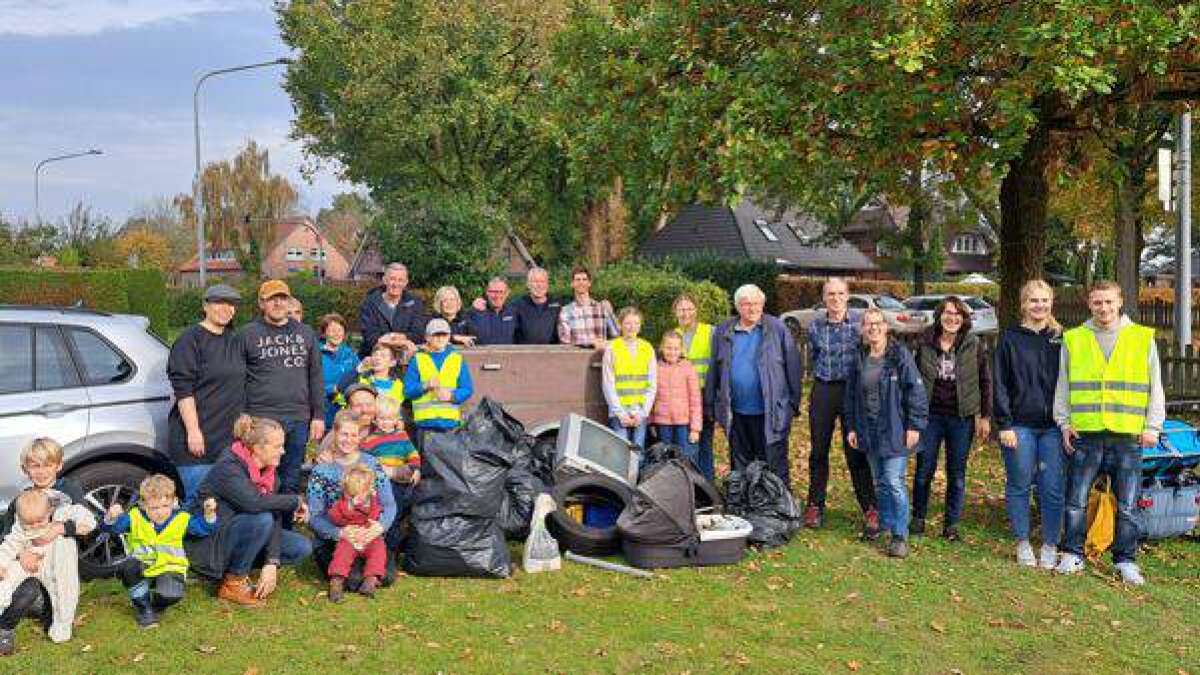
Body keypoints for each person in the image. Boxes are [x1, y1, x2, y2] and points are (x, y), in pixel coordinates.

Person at [1053, 280, 1165, 585]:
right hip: (1086, 434)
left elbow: (1156, 387)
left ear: (1120, 303)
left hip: (1128, 436)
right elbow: (1063, 386)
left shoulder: (1142, 338)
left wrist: (1153, 426)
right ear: (1090, 304)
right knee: (1075, 499)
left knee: (1128, 503)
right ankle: (1072, 554)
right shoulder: (1074, 339)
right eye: (1097, 302)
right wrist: (1063, 423)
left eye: (1109, 302)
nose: (1103, 308)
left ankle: (1125, 560)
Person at [189, 416, 312, 607]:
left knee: (300, 547)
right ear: (257, 447)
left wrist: (272, 562)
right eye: (277, 446)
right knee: (260, 518)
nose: (283, 451)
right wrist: (295, 501)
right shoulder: (228, 467)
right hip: (209, 541)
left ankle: (241, 565)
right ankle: (233, 582)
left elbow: (274, 511)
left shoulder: (269, 473)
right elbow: (254, 503)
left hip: (240, 533)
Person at [994, 279, 1066, 569]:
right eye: (1034, 300)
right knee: (1020, 483)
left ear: (1051, 303)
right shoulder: (1010, 338)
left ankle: (1050, 544)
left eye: (1044, 300)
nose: (1040, 306)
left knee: (1051, 487)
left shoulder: (1062, 338)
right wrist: (1004, 424)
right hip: (1019, 426)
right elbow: (999, 382)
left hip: (1053, 427)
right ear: (1024, 304)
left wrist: (1067, 422)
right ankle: (1023, 542)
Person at [845, 308, 928, 558]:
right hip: (868, 429)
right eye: (868, 324)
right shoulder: (859, 357)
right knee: (880, 482)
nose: (873, 328)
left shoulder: (899, 355)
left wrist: (914, 426)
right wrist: (851, 426)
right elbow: (850, 397)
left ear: (886, 327)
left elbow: (916, 391)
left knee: (894, 481)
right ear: (863, 329)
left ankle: (900, 535)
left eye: (878, 323)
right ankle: (887, 524)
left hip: (894, 428)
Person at [240, 279, 325, 520]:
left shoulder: (305, 333)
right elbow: (237, 379)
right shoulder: (247, 334)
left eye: (282, 298)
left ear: (289, 302)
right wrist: (243, 414)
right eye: (271, 298)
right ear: (261, 303)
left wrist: (318, 415)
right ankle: (261, 529)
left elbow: (315, 376)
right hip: (261, 418)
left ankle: (284, 532)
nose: (278, 303)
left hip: (298, 418)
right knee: (258, 478)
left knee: (290, 478)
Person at [911, 296, 993, 541]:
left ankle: (951, 525)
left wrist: (985, 416)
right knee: (924, 469)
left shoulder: (973, 344)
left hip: (961, 418)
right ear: (939, 316)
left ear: (964, 318)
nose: (952, 318)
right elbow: (912, 379)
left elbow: (985, 381)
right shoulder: (925, 342)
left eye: (957, 314)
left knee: (956, 473)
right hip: (930, 417)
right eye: (947, 313)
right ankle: (918, 519)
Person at [0, 439, 93, 654]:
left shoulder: (69, 491)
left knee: (57, 606)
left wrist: (59, 529)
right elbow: (8, 536)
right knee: (22, 587)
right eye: (35, 466)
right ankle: (5, 628)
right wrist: (22, 554)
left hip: (58, 562)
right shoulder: (21, 500)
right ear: (26, 469)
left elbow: (87, 524)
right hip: (30, 562)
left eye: (48, 465)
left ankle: (45, 609)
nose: (41, 472)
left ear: (59, 465)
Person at [804, 278, 879, 538]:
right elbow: (814, 356)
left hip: (851, 391)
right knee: (819, 451)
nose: (835, 298)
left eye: (839, 294)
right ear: (824, 298)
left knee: (855, 450)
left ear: (848, 297)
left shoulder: (860, 324)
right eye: (830, 294)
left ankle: (870, 507)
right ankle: (815, 504)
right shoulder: (814, 327)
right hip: (824, 389)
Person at [706, 284, 803, 485]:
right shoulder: (724, 330)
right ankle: (745, 508)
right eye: (747, 304)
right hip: (736, 413)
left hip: (771, 412)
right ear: (738, 307)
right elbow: (714, 369)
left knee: (774, 466)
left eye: (757, 303)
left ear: (763, 304)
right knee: (741, 467)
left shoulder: (777, 328)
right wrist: (711, 404)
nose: (752, 308)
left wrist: (792, 404)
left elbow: (793, 367)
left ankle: (778, 511)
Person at [102, 475, 218, 628]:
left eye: (165, 506)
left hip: (171, 567)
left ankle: (156, 606)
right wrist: (111, 517)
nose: (160, 512)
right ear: (143, 505)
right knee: (128, 567)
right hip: (142, 565)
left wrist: (209, 514)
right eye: (154, 508)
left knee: (171, 595)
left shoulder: (182, 518)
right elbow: (113, 529)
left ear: (174, 502)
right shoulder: (135, 516)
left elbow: (203, 529)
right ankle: (143, 608)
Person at [168, 283, 246, 501]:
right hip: (197, 443)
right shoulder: (190, 340)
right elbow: (183, 390)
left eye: (231, 304)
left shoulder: (235, 340)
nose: (226, 308)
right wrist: (193, 431)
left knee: (224, 507)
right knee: (200, 503)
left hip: (228, 441)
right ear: (205, 306)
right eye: (219, 302)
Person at [308, 410, 398, 594]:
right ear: (335, 433)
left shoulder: (371, 464)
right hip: (335, 538)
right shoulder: (321, 471)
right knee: (353, 580)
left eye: (354, 435)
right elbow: (315, 516)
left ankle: (369, 572)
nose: (348, 440)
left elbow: (389, 504)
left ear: (360, 436)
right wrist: (340, 533)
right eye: (344, 434)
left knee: (386, 576)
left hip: (368, 535)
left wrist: (378, 527)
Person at [403, 319, 475, 450]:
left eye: (444, 334)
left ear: (449, 336)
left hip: (450, 424)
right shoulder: (417, 359)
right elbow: (407, 391)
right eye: (436, 335)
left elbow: (467, 389)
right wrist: (425, 385)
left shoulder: (457, 358)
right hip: (425, 424)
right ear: (427, 337)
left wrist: (452, 396)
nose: (440, 338)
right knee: (427, 466)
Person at [324, 464, 388, 602]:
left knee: (379, 550)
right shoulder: (342, 504)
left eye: (359, 494)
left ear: (369, 491)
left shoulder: (372, 502)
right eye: (350, 494)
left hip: (368, 536)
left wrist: (370, 512)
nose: (355, 498)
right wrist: (351, 505)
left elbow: (376, 515)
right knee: (342, 553)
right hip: (350, 537)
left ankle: (371, 580)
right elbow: (334, 516)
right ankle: (336, 581)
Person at [673, 293, 716, 479]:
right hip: (682, 397)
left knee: (705, 441)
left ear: (696, 310)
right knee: (687, 443)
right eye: (682, 309)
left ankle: (707, 483)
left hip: (705, 394)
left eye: (689, 308)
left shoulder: (710, 332)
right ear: (675, 312)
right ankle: (691, 484)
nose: (686, 313)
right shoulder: (674, 335)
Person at [602, 307, 658, 449]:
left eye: (636, 323)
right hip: (618, 412)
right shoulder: (612, 348)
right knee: (620, 453)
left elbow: (652, 384)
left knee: (638, 453)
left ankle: (636, 473)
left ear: (640, 326)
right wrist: (620, 413)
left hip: (640, 412)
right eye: (627, 323)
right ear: (620, 325)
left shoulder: (647, 348)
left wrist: (643, 413)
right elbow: (608, 384)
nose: (632, 327)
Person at [649, 330, 702, 468]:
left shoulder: (688, 368)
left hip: (684, 424)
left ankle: (689, 487)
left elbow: (695, 399)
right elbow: (651, 396)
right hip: (662, 423)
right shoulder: (655, 367)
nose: (672, 352)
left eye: (676, 348)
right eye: (668, 348)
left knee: (685, 459)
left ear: (681, 350)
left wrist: (695, 428)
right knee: (664, 460)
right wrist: (651, 422)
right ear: (662, 348)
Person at [358, 262, 426, 359]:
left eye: (400, 280)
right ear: (384, 280)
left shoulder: (415, 303)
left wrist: (393, 338)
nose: (396, 284)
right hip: (375, 358)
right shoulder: (369, 303)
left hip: (405, 360)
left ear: (406, 282)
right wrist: (403, 341)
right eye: (392, 279)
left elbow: (418, 334)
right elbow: (370, 336)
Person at [558, 266, 618, 349]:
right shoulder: (566, 311)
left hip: (600, 358)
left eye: (584, 279)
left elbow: (616, 335)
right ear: (572, 284)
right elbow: (565, 342)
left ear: (589, 283)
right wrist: (592, 343)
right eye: (578, 280)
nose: (581, 282)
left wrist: (611, 313)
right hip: (576, 359)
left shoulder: (602, 308)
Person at [319, 313, 361, 429]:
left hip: (347, 408)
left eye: (340, 330)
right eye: (332, 330)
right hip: (325, 408)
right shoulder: (316, 354)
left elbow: (359, 377)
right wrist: (331, 390)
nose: (337, 334)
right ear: (324, 333)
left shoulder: (350, 354)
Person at [513, 267, 561, 345]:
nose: (539, 285)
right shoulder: (517, 305)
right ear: (528, 284)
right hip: (525, 354)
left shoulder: (557, 305)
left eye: (542, 281)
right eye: (535, 281)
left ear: (547, 284)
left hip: (550, 353)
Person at [467, 277, 518, 345]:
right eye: (493, 292)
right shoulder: (475, 312)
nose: (497, 296)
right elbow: (456, 329)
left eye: (501, 292)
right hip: (481, 355)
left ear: (507, 293)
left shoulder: (514, 312)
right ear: (487, 292)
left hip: (507, 355)